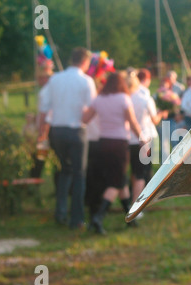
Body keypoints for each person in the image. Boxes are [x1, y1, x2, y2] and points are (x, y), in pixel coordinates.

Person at [38, 47, 97, 230]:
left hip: (57, 130)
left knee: (64, 171)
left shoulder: (55, 79)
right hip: (76, 130)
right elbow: (92, 107)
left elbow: (44, 105)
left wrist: (42, 131)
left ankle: (60, 212)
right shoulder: (86, 81)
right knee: (79, 174)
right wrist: (84, 121)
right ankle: (77, 218)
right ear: (85, 62)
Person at [82, 72, 143, 234]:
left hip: (103, 143)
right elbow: (132, 122)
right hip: (120, 143)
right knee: (116, 182)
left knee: (120, 180)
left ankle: (130, 218)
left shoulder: (99, 99)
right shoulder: (123, 98)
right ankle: (98, 217)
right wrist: (142, 138)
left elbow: (86, 119)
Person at [129, 72, 168, 225]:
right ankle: (137, 206)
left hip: (129, 138)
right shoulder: (146, 98)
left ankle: (136, 200)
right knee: (142, 173)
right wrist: (162, 113)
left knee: (134, 172)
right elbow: (155, 120)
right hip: (145, 138)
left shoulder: (128, 96)